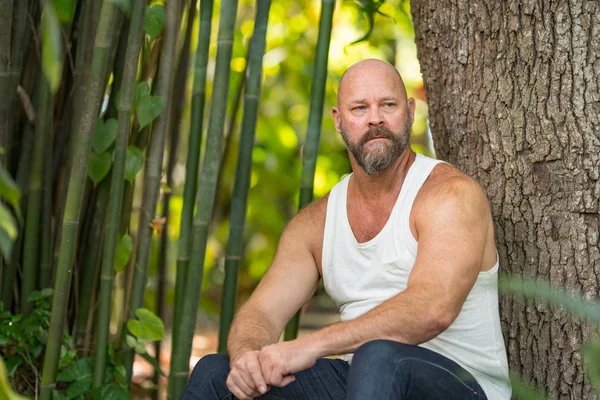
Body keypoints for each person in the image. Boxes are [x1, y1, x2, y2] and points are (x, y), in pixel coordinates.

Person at [181, 59, 511, 400]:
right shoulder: (317, 223)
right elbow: (261, 311)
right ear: (339, 120)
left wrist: (310, 346)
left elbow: (432, 308)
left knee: (378, 357)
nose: (375, 118)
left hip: (460, 386)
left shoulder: (449, 196)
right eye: (359, 108)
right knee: (215, 374)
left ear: (409, 112)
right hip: (362, 385)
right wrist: (247, 357)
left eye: (388, 105)